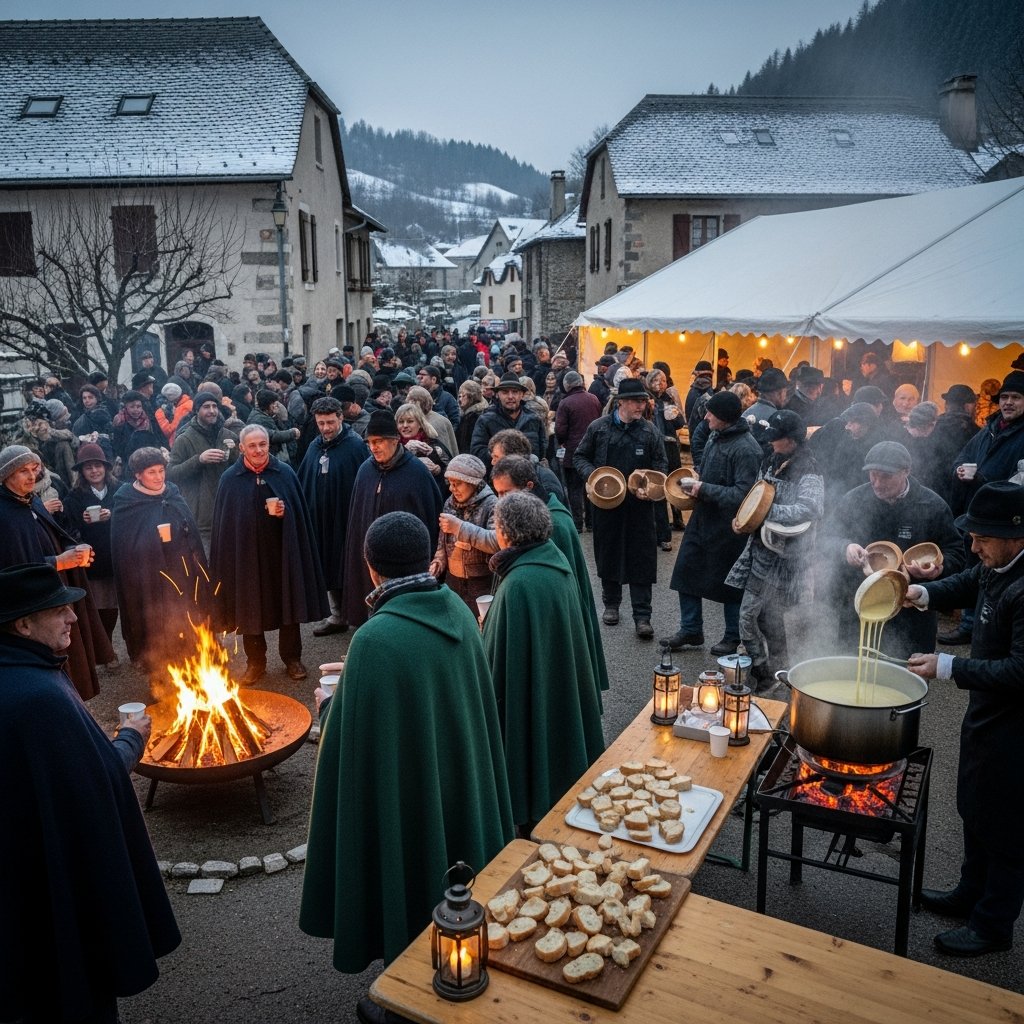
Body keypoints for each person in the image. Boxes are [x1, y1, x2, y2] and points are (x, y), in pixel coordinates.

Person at [300, 511, 514, 995]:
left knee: (411, 857)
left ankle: (408, 977)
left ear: (370, 567)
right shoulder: (457, 610)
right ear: (425, 559)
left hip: (410, 794)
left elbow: (357, 743)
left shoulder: (375, 640)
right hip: (457, 778)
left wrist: (333, 702)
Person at [0, 563, 181, 1023]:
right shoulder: (38, 697)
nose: (74, 618)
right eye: (59, 610)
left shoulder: (19, 669)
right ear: (23, 624)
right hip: (54, 882)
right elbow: (99, 781)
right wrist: (131, 739)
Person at [905, 482, 1024, 957]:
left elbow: (1021, 669)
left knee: (1008, 824)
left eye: (982, 538)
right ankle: (968, 893)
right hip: (987, 710)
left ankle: (994, 925)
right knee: (976, 804)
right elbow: (968, 580)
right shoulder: (999, 563)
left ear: (1017, 536)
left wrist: (949, 666)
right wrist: (920, 592)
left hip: (1017, 724)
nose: (973, 547)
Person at [482, 491, 605, 832]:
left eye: (495, 523)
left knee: (531, 741)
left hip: (529, 697)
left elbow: (496, 667)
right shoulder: (551, 563)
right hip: (555, 687)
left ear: (508, 532)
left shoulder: (520, 584)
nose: (494, 529)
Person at [210, 424, 327, 684]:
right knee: (249, 607)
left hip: (280, 554)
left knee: (287, 601)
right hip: (246, 557)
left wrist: (287, 514)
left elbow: (301, 515)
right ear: (241, 448)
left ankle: (292, 659)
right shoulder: (230, 479)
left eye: (262, 444)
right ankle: (256, 663)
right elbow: (225, 525)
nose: (258, 449)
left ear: (268, 444)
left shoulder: (284, 472)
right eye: (252, 445)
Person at [827, 441, 964, 659]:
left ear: (906, 472)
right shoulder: (854, 500)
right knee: (854, 672)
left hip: (911, 610)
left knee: (904, 680)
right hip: (860, 604)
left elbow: (957, 553)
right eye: (873, 474)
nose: (878, 483)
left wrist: (938, 569)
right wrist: (844, 547)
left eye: (886, 476)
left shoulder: (931, 505)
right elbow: (827, 538)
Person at [0, 444, 113, 699]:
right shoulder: (4, 515)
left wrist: (75, 549)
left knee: (67, 652)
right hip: (32, 604)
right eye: (22, 471)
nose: (31, 476)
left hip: (54, 590)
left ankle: (69, 697)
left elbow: (53, 537)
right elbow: (14, 567)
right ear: (6, 476)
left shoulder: (33, 502)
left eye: (34, 469)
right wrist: (59, 562)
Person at [724, 410, 823, 688]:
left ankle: (770, 671)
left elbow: (810, 508)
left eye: (776, 439)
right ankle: (768, 668)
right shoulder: (770, 459)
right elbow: (755, 495)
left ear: (792, 440)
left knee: (758, 615)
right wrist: (743, 518)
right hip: (760, 549)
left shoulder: (809, 468)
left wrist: (765, 512)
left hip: (787, 556)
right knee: (759, 615)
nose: (771, 443)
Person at [665, 390, 762, 654]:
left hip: (730, 527)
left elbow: (744, 494)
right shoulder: (715, 436)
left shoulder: (747, 449)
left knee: (729, 584)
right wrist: (696, 484)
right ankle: (691, 629)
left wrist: (703, 488)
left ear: (725, 418)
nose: (706, 417)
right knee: (685, 572)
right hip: (702, 519)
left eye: (711, 413)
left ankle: (732, 636)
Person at [573, 377, 668, 638]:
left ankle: (642, 615)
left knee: (642, 558)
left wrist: (650, 485)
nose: (642, 405)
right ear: (621, 402)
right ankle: (611, 604)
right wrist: (594, 477)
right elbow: (579, 456)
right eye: (637, 401)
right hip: (606, 505)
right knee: (608, 553)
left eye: (643, 400)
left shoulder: (649, 431)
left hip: (640, 507)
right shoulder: (599, 428)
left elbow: (661, 464)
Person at [111, 447, 210, 681]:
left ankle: (192, 671)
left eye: (161, 470)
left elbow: (191, 532)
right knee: (155, 624)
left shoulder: (172, 493)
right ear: (138, 475)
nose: (159, 477)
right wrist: (151, 541)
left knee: (186, 619)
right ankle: (160, 678)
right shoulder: (127, 502)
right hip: (148, 578)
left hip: (180, 573)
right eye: (151, 472)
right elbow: (124, 548)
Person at [340, 410, 443, 630]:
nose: (373, 447)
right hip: (370, 560)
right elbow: (356, 522)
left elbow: (430, 517)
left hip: (404, 563)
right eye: (370, 442)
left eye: (379, 441)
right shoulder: (365, 471)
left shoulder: (416, 472)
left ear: (395, 440)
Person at [296, 396, 369, 638]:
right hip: (321, 519)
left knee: (350, 566)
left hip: (347, 518)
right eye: (321, 423)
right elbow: (305, 478)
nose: (326, 428)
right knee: (328, 565)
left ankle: (361, 615)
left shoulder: (355, 446)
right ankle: (337, 614)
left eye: (330, 422)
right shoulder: (315, 445)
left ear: (341, 417)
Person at [63, 442, 120, 654]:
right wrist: (81, 521)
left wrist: (112, 515)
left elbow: (128, 514)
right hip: (93, 563)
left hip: (115, 558)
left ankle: (109, 647)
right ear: (82, 472)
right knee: (98, 608)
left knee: (113, 605)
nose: (94, 471)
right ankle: (103, 650)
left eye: (98, 466)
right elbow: (67, 529)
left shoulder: (118, 490)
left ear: (106, 467)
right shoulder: (73, 498)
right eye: (88, 467)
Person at [167, 393, 240, 553]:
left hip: (229, 513)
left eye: (215, 406)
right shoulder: (184, 439)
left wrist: (234, 455)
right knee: (205, 568)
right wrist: (198, 460)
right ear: (196, 410)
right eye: (206, 407)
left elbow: (240, 469)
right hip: (201, 519)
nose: (212, 411)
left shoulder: (229, 437)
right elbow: (171, 474)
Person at [430, 453, 498, 612]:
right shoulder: (450, 503)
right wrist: (438, 563)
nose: (452, 489)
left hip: (481, 583)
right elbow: (443, 541)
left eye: (458, 484)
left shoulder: (492, 505)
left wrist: (460, 528)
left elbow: (495, 543)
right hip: (453, 580)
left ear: (473, 483)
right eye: (451, 483)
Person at [556, 369, 603, 531]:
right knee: (590, 485)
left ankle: (577, 523)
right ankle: (591, 522)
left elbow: (560, 430)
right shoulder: (594, 399)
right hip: (593, 451)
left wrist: (562, 442)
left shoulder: (565, 403)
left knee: (574, 489)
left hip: (573, 451)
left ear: (567, 385)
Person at [470, 372, 546, 465]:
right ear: (498, 395)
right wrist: (504, 457)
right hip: (497, 476)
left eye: (515, 392)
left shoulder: (534, 419)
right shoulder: (486, 420)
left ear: (521, 394)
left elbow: (542, 452)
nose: (510, 396)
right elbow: (477, 452)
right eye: (505, 392)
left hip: (528, 475)